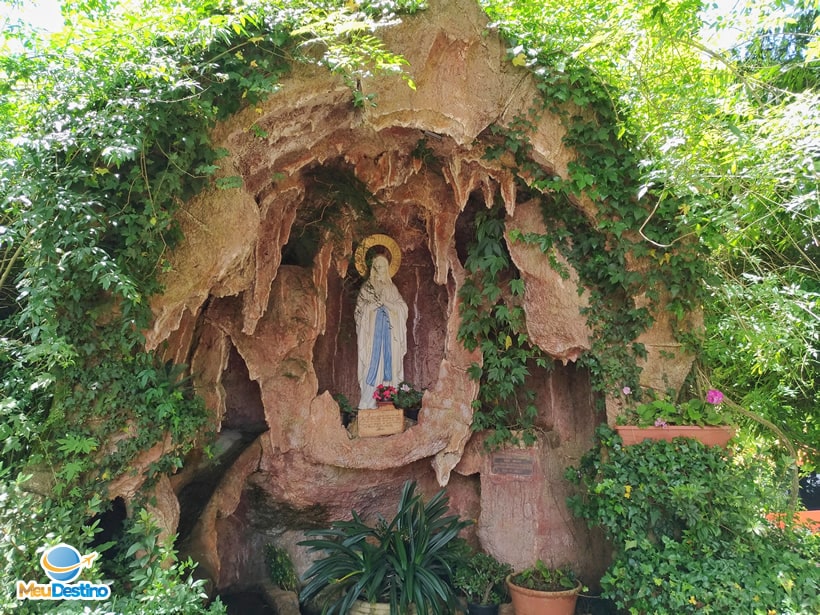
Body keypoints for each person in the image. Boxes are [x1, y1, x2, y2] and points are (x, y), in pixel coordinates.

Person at [355, 254, 408, 409]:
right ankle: (369, 399)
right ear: (373, 268)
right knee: (372, 363)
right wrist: (373, 306)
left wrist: (388, 304)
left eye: (383, 265)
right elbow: (359, 311)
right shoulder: (367, 288)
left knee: (389, 362)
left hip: (390, 337)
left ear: (387, 268)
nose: (380, 268)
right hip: (372, 337)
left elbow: (403, 308)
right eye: (377, 265)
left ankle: (389, 397)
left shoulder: (392, 288)